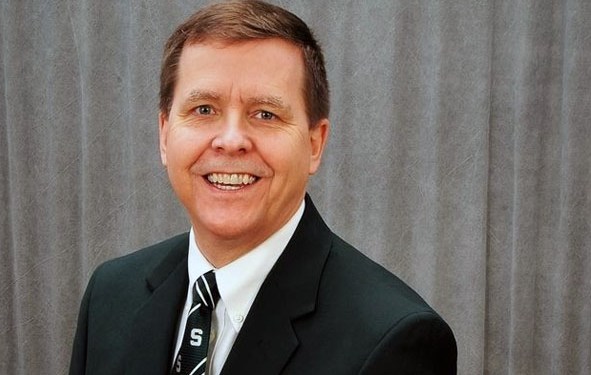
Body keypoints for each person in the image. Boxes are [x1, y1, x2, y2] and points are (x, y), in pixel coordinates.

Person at [69, 1, 457, 374]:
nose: (231, 140)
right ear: (164, 134)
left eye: (265, 114)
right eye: (204, 109)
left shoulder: (393, 341)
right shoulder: (110, 296)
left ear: (314, 144)